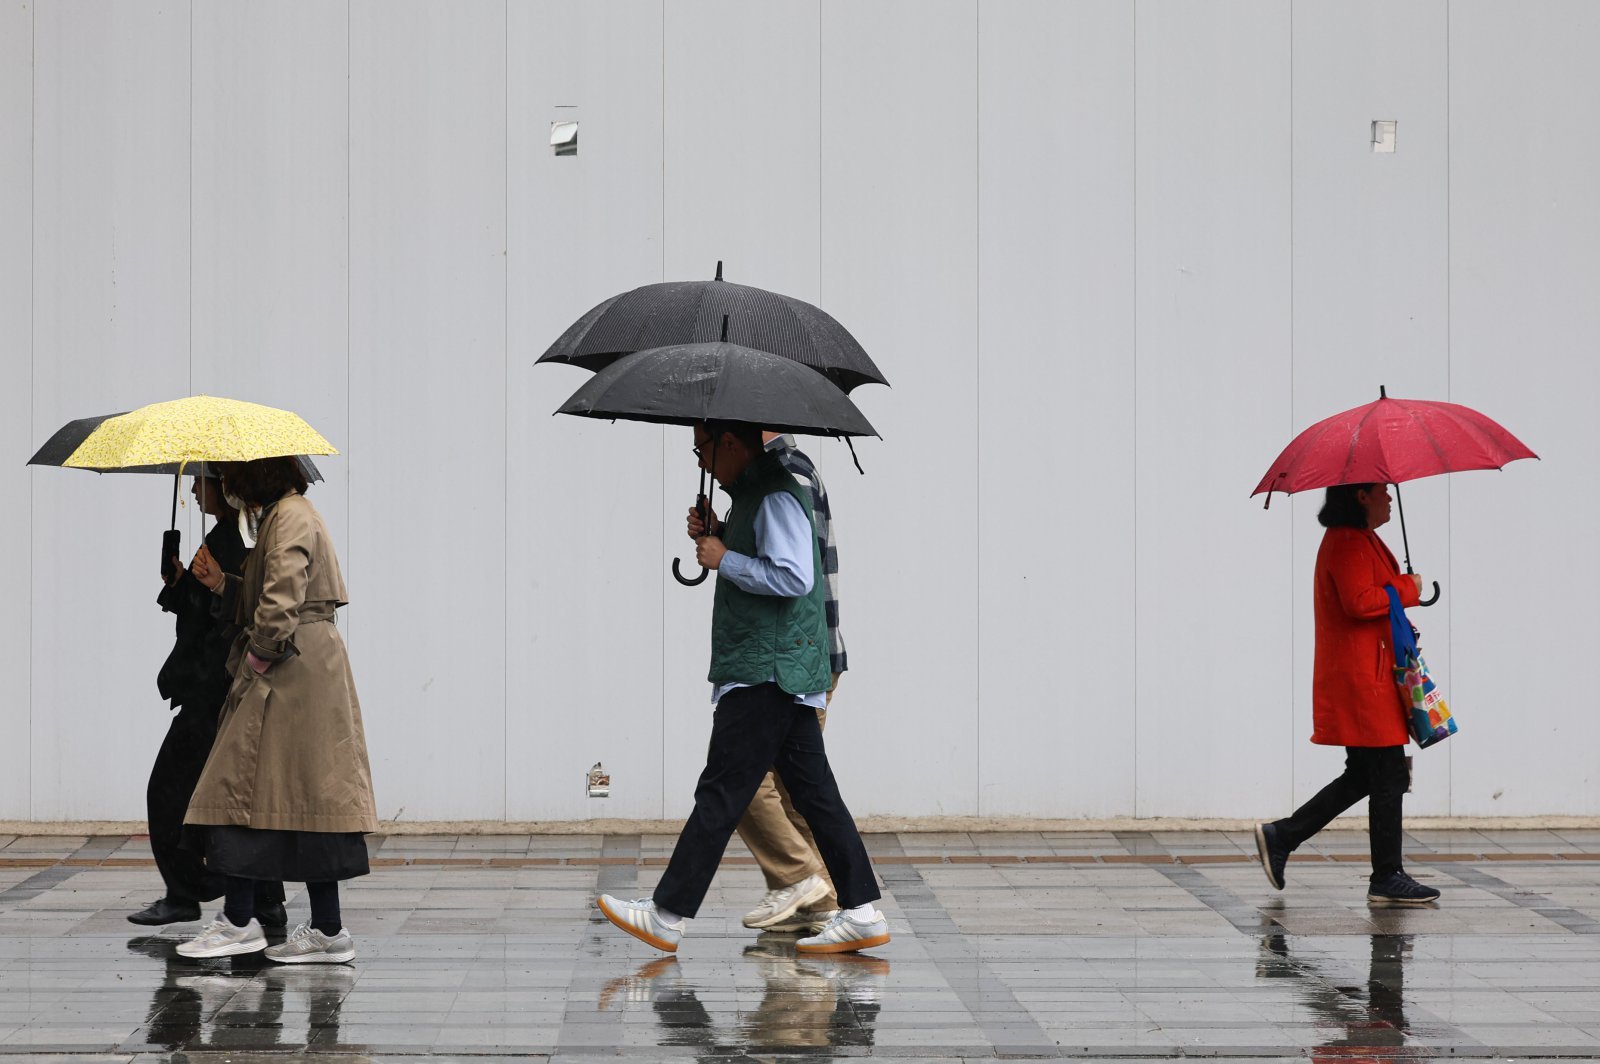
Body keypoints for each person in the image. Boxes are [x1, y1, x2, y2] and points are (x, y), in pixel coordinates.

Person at [597, 421, 889, 954]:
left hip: (767, 670)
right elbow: (769, 558)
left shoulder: (777, 492)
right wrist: (720, 534)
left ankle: (666, 915)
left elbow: (794, 576)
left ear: (730, 442)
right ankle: (863, 912)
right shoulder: (757, 494)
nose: (701, 462)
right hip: (775, 668)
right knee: (815, 795)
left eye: (702, 449)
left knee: (723, 791)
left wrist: (723, 557)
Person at [176, 456, 378, 962]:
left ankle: (239, 922)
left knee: (238, 787)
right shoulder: (288, 514)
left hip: (288, 667)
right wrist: (221, 584)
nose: (225, 486)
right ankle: (323, 929)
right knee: (303, 797)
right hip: (303, 665)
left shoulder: (288, 517)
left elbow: (282, 594)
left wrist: (258, 656)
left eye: (230, 477)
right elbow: (271, 592)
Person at [1254, 482, 1441, 906]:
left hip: (1371, 673)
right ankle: (1387, 876)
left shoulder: (1360, 539)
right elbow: (1359, 602)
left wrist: (1402, 589)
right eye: (1383, 491)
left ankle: (1282, 836)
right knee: (1388, 773)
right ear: (1361, 496)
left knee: (1364, 774)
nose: (1389, 498)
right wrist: (1407, 588)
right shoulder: (1347, 542)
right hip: (1364, 680)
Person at [128, 474, 287, 929]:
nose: (195, 491)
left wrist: (214, 583)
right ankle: (262, 899)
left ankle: (189, 892)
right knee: (229, 795)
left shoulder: (239, 539)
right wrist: (181, 583)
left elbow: (241, 609)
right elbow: (205, 606)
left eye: (202, 483)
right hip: (211, 686)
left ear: (225, 486)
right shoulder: (225, 535)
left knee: (170, 790)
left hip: (215, 688)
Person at [735, 432, 847, 935]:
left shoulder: (786, 476)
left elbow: (792, 575)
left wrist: (725, 556)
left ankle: (806, 884)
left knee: (746, 778)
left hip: (795, 660)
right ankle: (826, 905)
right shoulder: (786, 471)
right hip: (804, 656)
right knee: (795, 788)